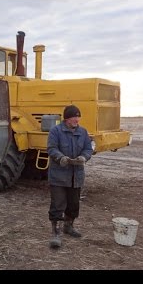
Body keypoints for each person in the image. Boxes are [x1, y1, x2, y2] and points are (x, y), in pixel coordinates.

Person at [47, 104, 93, 249]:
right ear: (67, 118)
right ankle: (56, 233)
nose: (77, 120)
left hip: (76, 175)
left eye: (78, 117)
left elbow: (88, 148)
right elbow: (51, 148)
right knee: (58, 204)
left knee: (73, 204)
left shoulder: (83, 132)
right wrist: (61, 158)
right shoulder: (55, 131)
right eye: (74, 117)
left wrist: (84, 157)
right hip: (59, 176)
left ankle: (69, 226)